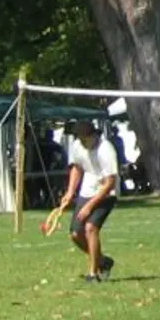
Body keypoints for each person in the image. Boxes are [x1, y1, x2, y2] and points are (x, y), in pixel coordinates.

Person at [55, 121, 121, 283]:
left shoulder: (106, 150)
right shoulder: (78, 146)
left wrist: (89, 206)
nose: (82, 143)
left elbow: (110, 182)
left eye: (85, 139)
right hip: (86, 191)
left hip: (106, 193)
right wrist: (70, 192)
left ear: (93, 136)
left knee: (90, 228)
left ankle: (93, 274)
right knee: (76, 234)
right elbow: (77, 168)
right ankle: (103, 262)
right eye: (80, 139)